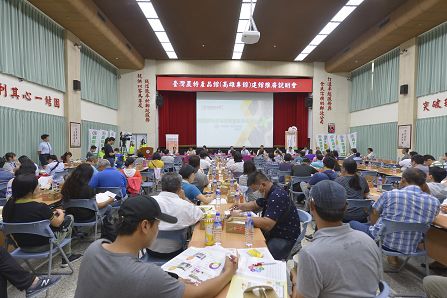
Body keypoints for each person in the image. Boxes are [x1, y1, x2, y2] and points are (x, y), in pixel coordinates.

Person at [74, 195, 238, 298]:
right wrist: (228, 272)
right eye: (157, 225)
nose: (158, 230)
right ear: (145, 226)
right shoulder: (146, 275)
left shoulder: (95, 248)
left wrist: (171, 279)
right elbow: (200, 293)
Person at [292, 180, 381, 298]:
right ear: (346, 207)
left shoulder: (310, 254)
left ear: (312, 206)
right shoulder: (368, 241)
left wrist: (296, 279)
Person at [350, 168, 440, 257]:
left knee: (352, 223)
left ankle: (362, 256)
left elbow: (374, 214)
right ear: (424, 184)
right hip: (411, 245)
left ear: (403, 180)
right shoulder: (434, 202)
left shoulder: (390, 194)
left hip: (384, 242)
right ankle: (392, 259)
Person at [2, 174, 82, 267]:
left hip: (22, 246)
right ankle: (67, 257)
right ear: (30, 191)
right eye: (38, 186)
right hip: (45, 245)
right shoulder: (40, 207)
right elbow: (57, 223)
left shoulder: (7, 208)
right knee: (69, 218)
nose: (40, 188)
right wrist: (61, 213)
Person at [232, 172, 300, 260]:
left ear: (263, 185)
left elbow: (267, 224)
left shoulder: (276, 195)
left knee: (261, 259)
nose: (255, 193)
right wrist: (240, 206)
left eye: (256, 190)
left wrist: (241, 217)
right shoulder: (271, 191)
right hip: (275, 231)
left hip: (284, 236)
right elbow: (255, 204)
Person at [148, 173, 203, 258]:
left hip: (150, 250)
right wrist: (184, 199)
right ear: (180, 187)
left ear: (162, 186)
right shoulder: (185, 205)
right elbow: (200, 214)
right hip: (176, 251)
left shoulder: (149, 202)